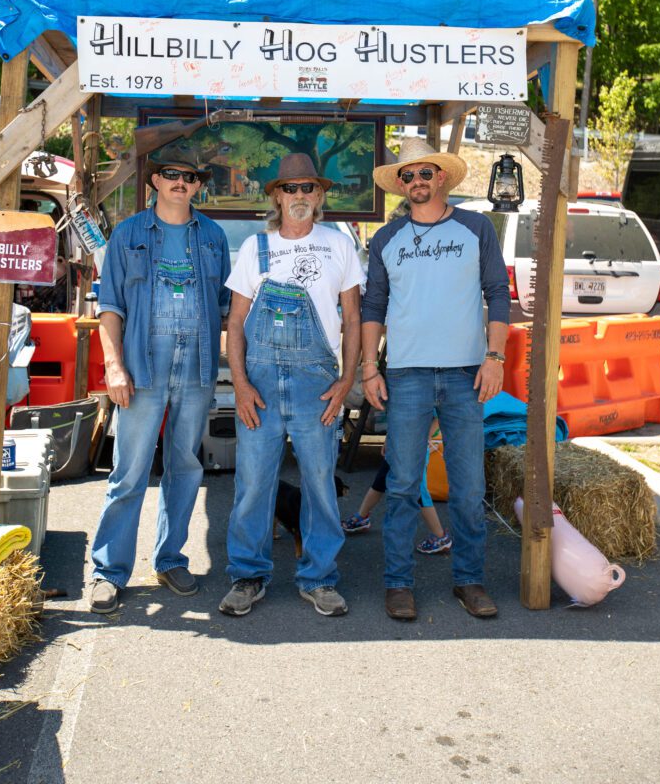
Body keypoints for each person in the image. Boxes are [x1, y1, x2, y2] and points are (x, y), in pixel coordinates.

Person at [361, 137, 509, 621]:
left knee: (468, 487)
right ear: (399, 185)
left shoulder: (476, 227)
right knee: (403, 483)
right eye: (407, 176)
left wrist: (495, 357)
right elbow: (373, 307)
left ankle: (469, 581)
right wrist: (369, 367)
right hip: (406, 374)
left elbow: (498, 294)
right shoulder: (386, 240)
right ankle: (398, 584)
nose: (417, 182)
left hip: (468, 373)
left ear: (441, 177)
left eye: (425, 173)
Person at [219, 153, 364, 618]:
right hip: (260, 387)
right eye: (291, 188)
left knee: (320, 483)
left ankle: (319, 578)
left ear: (320, 195)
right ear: (277, 195)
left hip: (315, 387)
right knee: (253, 483)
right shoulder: (255, 250)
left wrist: (346, 380)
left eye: (308, 188)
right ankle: (247, 575)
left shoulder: (338, 247)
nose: (300, 196)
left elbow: (354, 318)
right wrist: (240, 385)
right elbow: (236, 323)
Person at [88, 151, 230, 615]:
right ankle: (108, 571)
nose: (181, 183)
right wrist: (114, 366)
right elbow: (109, 306)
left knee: (185, 468)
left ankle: (170, 559)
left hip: (197, 372)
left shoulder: (213, 236)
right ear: (154, 181)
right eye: (172, 174)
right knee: (129, 474)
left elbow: (230, 308)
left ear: (197, 187)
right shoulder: (127, 235)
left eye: (190, 177)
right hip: (141, 373)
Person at [342, 420, 452, 555]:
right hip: (398, 443)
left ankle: (439, 536)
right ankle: (361, 517)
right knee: (381, 480)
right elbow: (396, 414)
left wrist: (426, 436)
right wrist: (389, 438)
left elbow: (439, 413)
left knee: (419, 490)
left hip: (415, 445)